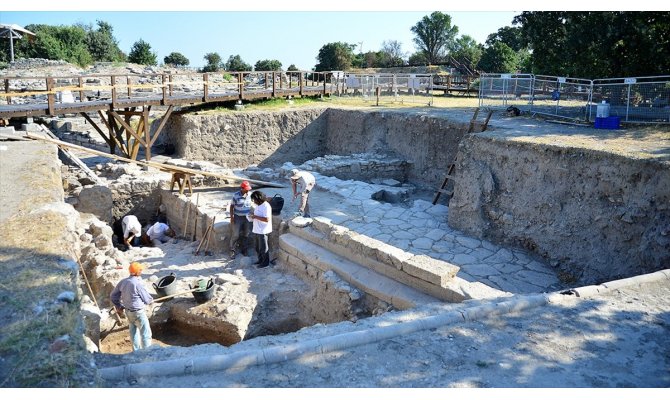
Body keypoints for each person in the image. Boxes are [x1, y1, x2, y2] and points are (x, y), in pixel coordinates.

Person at [110, 262, 154, 351]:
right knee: (146, 334)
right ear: (137, 272)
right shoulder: (137, 283)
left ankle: (136, 352)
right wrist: (151, 300)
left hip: (128, 312)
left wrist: (119, 306)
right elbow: (147, 299)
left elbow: (113, 296)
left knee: (134, 332)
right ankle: (147, 353)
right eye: (140, 270)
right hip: (138, 312)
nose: (141, 271)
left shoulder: (123, 282)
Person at [229, 181, 253, 258]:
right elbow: (231, 206)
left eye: (248, 189)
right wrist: (232, 217)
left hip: (247, 217)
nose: (247, 190)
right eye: (246, 189)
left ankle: (244, 249)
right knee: (236, 234)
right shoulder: (235, 195)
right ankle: (232, 250)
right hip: (238, 217)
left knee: (246, 234)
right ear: (242, 188)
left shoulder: (250, 195)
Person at [249, 190, 272, 268]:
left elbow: (266, 219)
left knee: (263, 248)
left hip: (263, 230)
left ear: (259, 199)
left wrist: (255, 217)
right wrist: (253, 216)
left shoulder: (266, 206)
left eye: (254, 200)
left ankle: (265, 263)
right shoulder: (259, 205)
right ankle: (260, 260)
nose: (254, 201)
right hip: (257, 229)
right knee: (257, 247)